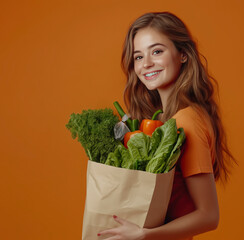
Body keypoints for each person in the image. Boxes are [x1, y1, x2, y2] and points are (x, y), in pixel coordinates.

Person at [98, 12, 236, 240]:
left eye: (157, 51)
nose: (147, 64)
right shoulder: (162, 120)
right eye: (138, 57)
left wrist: (143, 235)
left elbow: (208, 216)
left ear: (182, 54)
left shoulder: (187, 121)